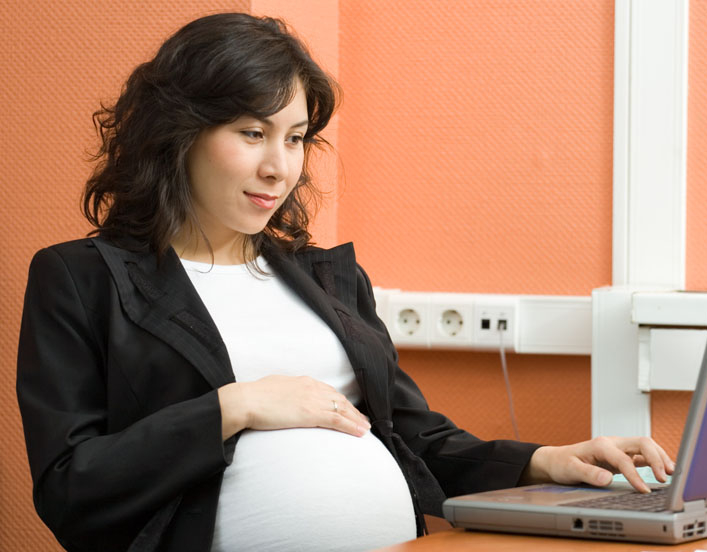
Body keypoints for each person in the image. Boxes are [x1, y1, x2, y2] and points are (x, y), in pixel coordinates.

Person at [16, 12, 674, 552]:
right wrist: (233, 408)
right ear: (178, 132)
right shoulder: (80, 279)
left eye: (296, 138)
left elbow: (417, 440)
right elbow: (71, 486)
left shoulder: (325, 275)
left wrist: (547, 461)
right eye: (252, 133)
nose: (279, 166)